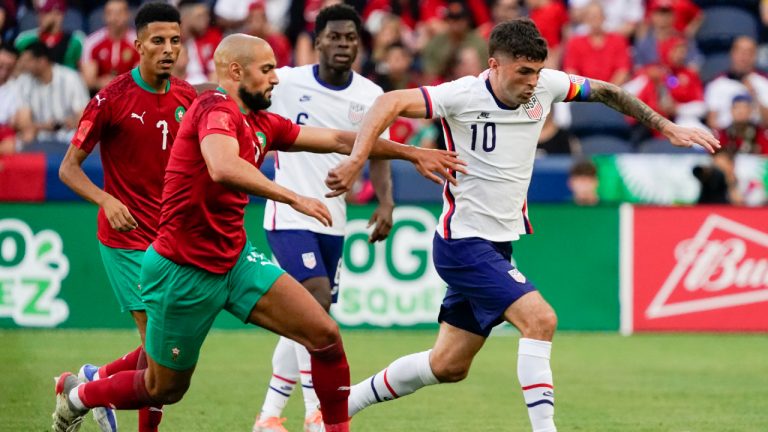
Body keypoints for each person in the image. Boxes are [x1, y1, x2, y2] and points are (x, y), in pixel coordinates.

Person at [52, 33, 465, 432]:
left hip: (234, 262)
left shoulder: (262, 121)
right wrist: (294, 198)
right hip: (182, 271)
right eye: (266, 69)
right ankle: (78, 397)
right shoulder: (215, 108)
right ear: (235, 72)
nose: (275, 78)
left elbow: (340, 138)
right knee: (165, 387)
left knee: (324, 335)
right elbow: (223, 167)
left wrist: (412, 153)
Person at [325, 19, 719, 432]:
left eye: (537, 70)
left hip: (497, 245)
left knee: (448, 365)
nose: (533, 81)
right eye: (523, 72)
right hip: (463, 242)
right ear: (494, 64)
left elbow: (607, 91)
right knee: (540, 319)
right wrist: (358, 159)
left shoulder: (546, 86)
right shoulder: (460, 95)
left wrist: (666, 126)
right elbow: (386, 103)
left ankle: (341, 406)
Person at [56, 3, 197, 432]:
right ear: (138, 46)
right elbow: (68, 168)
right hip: (127, 240)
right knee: (160, 358)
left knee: (169, 348)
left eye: (175, 40)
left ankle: (90, 383)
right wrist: (105, 200)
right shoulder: (111, 98)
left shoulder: (188, 98)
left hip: (171, 240)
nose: (168, 49)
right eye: (158, 41)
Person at [252, 5, 393, 432]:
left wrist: (386, 203)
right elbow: (243, 98)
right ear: (317, 41)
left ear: (359, 43)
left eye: (350, 37)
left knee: (305, 317)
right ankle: (316, 409)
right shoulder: (288, 82)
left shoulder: (371, 95)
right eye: (334, 37)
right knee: (316, 304)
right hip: (289, 213)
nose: (343, 44)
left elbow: (380, 152)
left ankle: (269, 415)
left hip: (334, 221)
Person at [13, 41, 89, 148]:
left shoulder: (70, 78)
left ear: (42, 61)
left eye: (28, 61)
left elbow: (84, 117)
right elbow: (23, 123)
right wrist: (45, 126)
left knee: (83, 134)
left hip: (68, 135)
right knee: (25, 136)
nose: (23, 65)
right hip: (38, 135)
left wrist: (71, 122)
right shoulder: (24, 81)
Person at [81, 0, 139, 93]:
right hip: (100, 96)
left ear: (128, 15)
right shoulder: (92, 42)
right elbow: (88, 81)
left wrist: (115, 83)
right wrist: (99, 83)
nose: (115, 17)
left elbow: (143, 78)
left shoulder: (138, 42)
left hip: (131, 96)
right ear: (104, 16)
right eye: (110, 13)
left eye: (119, 13)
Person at [14, 0, 85, 70]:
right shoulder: (24, 40)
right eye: (38, 12)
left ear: (59, 15)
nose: (40, 16)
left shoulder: (76, 40)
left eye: (45, 12)